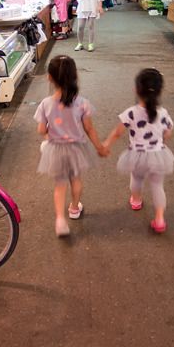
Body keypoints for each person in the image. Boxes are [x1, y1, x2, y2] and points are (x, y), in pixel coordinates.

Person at [34, 55, 106, 237]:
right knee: (76, 179)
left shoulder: (45, 104)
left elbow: (41, 129)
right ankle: (74, 208)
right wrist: (99, 147)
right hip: (76, 149)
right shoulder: (82, 103)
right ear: (75, 77)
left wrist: (49, 135)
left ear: (49, 77)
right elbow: (89, 128)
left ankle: (60, 220)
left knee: (60, 184)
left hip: (56, 149)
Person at [103, 67, 174, 234]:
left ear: (136, 89)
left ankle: (136, 200)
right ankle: (159, 219)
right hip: (157, 155)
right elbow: (168, 132)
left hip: (137, 155)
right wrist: (161, 141)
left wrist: (106, 144)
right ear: (159, 91)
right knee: (157, 185)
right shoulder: (163, 113)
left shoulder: (131, 113)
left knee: (136, 178)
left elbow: (118, 132)